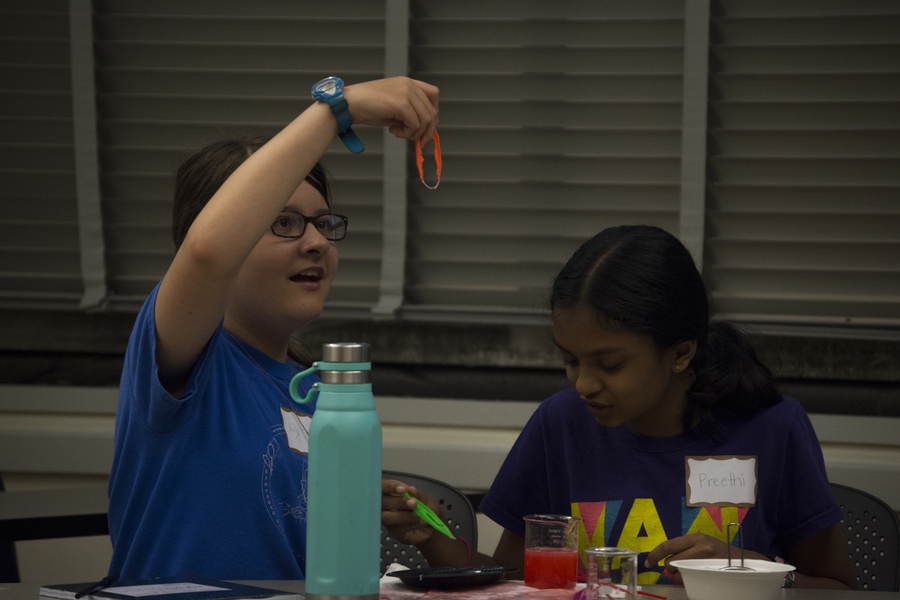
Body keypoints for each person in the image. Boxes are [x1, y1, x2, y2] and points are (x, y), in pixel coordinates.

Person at [382, 224, 858, 590]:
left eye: (609, 364)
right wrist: (436, 539)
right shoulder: (561, 424)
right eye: (570, 360)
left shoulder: (772, 428)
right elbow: (512, 585)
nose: (585, 384)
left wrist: (750, 571)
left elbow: (841, 591)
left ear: (680, 353)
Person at [107, 77, 439, 580]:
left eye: (323, 223)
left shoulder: (310, 388)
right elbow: (207, 253)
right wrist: (337, 111)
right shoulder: (187, 359)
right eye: (284, 222)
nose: (316, 243)